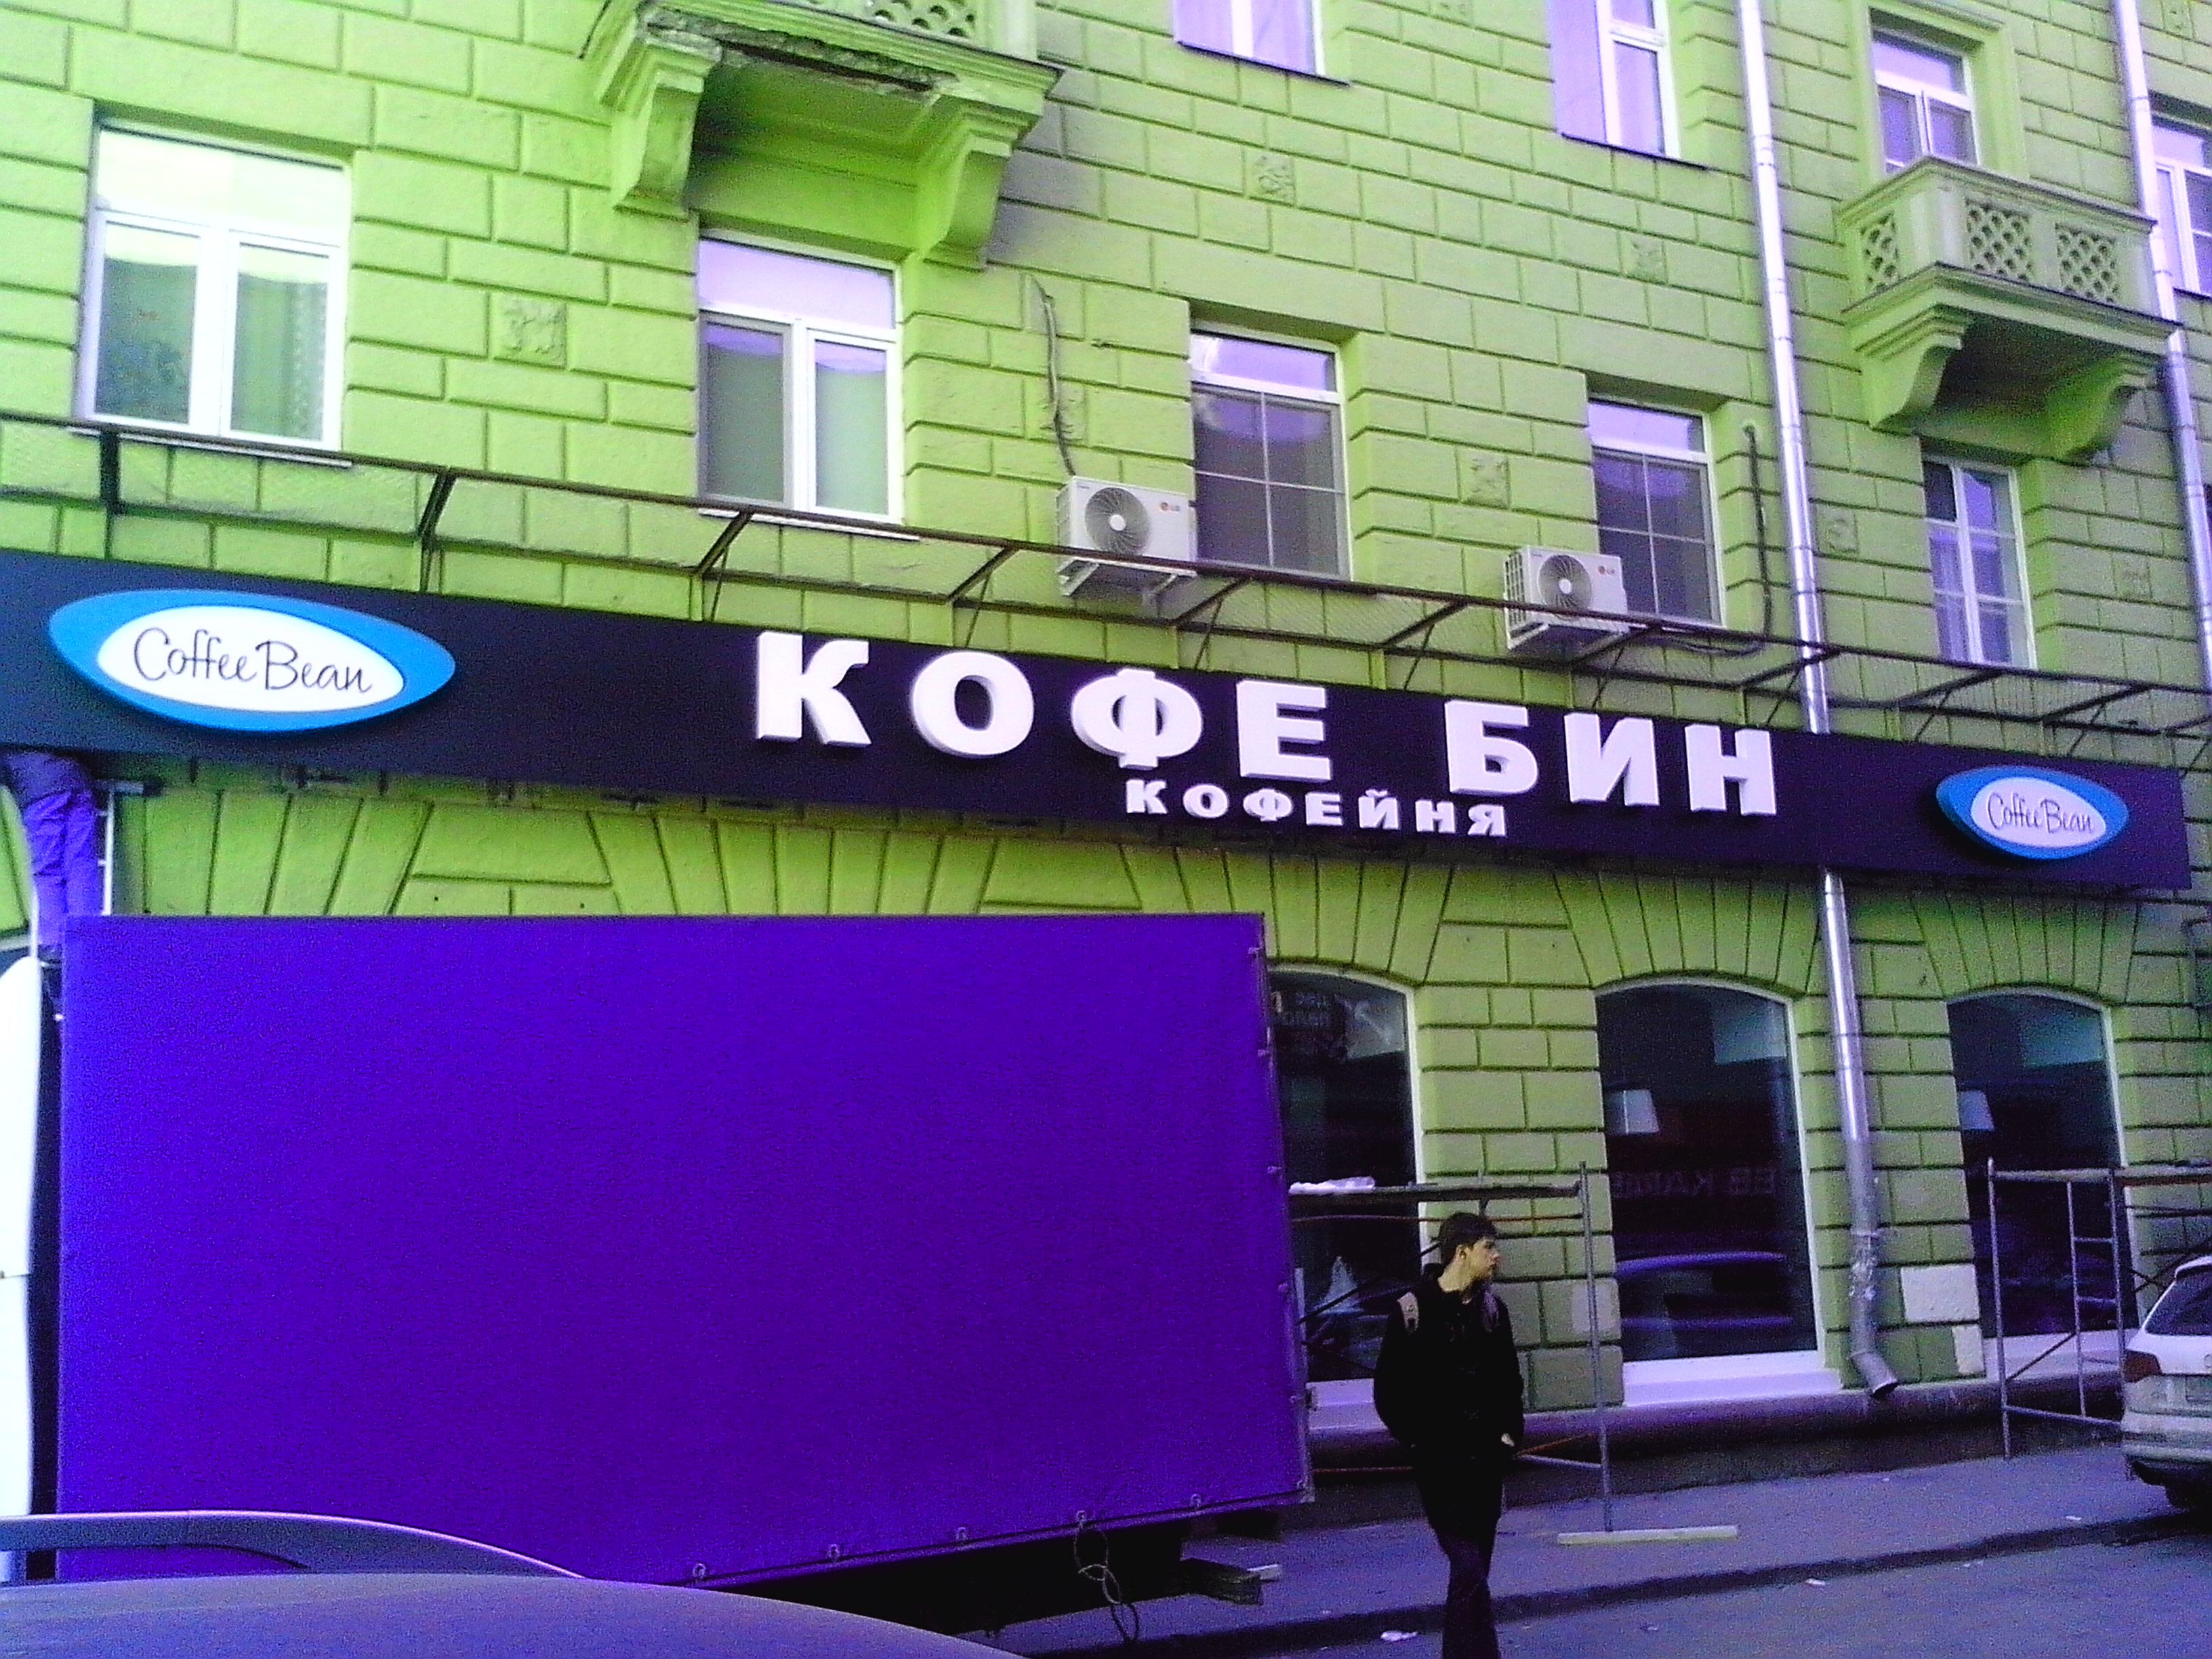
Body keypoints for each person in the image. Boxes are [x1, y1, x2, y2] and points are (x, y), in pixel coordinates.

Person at [1372, 1212, 1523, 1659]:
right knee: (1468, 1567)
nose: (1496, 1257)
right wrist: (1420, 1441)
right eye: (1488, 1248)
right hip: (1440, 1466)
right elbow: (1388, 1392)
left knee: (1475, 1573)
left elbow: (1509, 1382)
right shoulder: (1413, 1309)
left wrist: (1509, 1436)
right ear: (1462, 1252)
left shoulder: (1492, 1311)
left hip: (1486, 1461)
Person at [1, 750, 103, 960]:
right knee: (82, 864)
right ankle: (86, 939)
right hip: (78, 780)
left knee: (48, 870)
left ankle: (55, 943)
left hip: (39, 793)